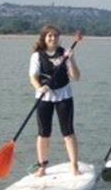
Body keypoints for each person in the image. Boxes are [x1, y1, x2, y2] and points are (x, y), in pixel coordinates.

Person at [28, 25, 81, 177]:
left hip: (64, 96)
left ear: (59, 38)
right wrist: (39, 87)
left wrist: (72, 60)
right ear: (44, 38)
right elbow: (32, 77)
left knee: (68, 132)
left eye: (55, 36)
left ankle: (74, 166)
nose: (53, 38)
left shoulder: (65, 53)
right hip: (44, 97)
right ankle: (42, 167)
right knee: (43, 133)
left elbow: (76, 77)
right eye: (49, 36)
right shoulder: (37, 56)